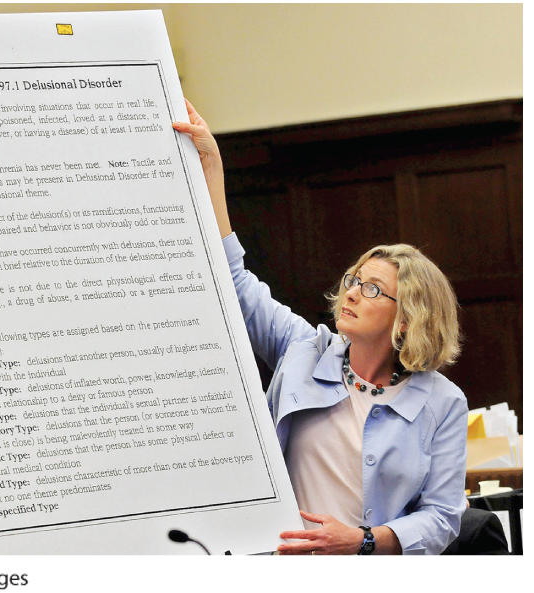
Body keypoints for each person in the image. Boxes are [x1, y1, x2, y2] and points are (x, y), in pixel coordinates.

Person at [172, 100, 469, 555]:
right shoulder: (303, 349)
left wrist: (362, 541)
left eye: (372, 290)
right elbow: (234, 281)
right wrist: (211, 166)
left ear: (408, 317)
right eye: (354, 279)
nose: (351, 293)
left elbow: (444, 516)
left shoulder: (443, 403)